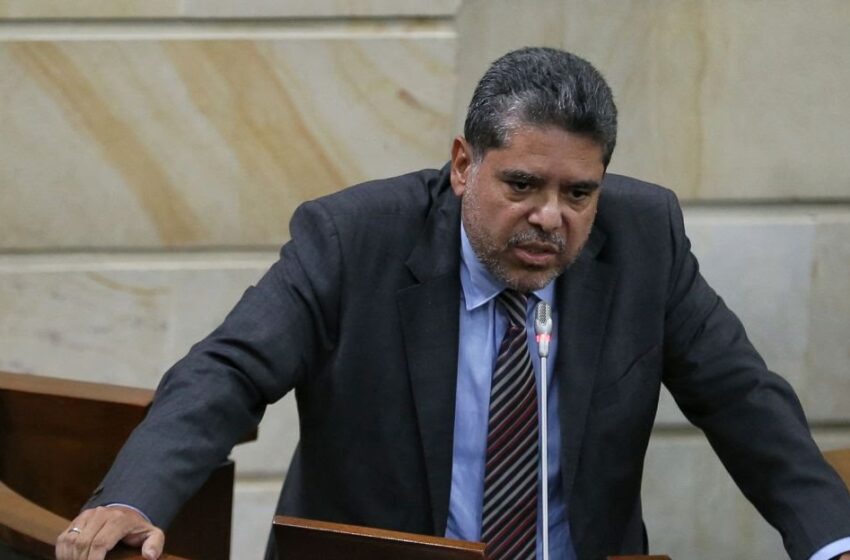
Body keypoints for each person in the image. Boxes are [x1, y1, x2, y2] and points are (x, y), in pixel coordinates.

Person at [56, 47, 850, 560]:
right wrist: (134, 499)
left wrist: (833, 542)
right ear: (465, 164)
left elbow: (743, 399)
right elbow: (228, 371)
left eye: (579, 193)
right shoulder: (354, 238)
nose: (551, 217)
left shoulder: (646, 240)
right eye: (522, 184)